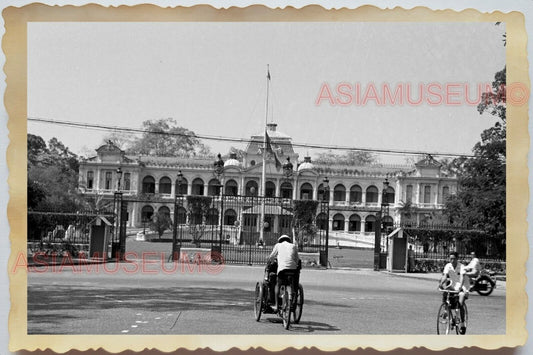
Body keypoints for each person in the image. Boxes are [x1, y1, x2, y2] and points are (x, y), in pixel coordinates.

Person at [439, 251, 470, 334]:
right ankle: (446, 311)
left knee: (460, 303)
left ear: (457, 259)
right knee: (445, 292)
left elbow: (462, 278)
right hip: (453, 286)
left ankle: (462, 324)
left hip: (463, 287)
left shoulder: (462, 267)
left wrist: (460, 287)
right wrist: (441, 283)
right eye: (451, 259)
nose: (452, 260)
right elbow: (445, 276)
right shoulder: (448, 266)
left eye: (454, 259)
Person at [268, 235, 301, 312]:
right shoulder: (293, 246)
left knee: (278, 285)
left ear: (280, 240)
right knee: (294, 284)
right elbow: (297, 260)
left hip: (282, 269)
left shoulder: (278, 245)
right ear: (289, 240)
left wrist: (272, 261)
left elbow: (271, 257)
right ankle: (293, 300)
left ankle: (276, 305)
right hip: (293, 269)